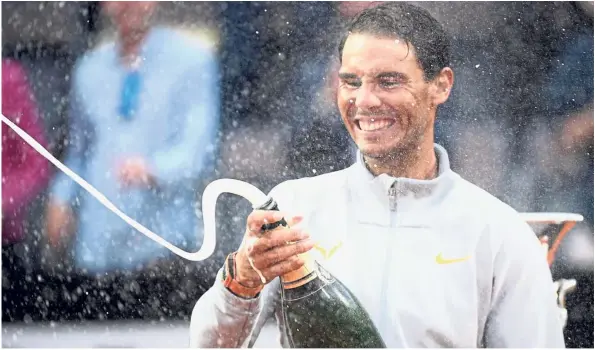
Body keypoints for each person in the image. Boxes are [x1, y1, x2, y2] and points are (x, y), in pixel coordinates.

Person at [188, 3, 564, 348]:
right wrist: (242, 282)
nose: (365, 100)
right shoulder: (294, 207)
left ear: (441, 85)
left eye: (388, 81)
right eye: (351, 81)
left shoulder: (498, 232)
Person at [45, 1, 220, 276]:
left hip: (162, 246)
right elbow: (79, 150)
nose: (128, 3)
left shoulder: (192, 60)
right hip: (97, 247)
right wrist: (61, 197)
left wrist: (153, 169)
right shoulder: (89, 69)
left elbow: (199, 149)